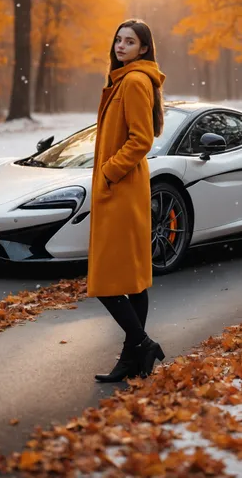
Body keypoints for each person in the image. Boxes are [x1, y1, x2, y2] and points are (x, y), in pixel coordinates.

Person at [87, 19, 166, 382]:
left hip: (121, 187)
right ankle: (133, 355)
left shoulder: (134, 81)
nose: (120, 46)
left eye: (129, 41)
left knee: (106, 280)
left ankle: (141, 343)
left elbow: (141, 139)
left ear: (144, 48)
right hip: (125, 187)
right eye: (118, 39)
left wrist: (108, 172)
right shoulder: (124, 80)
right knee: (132, 279)